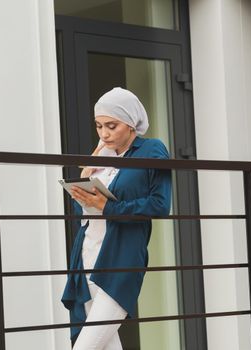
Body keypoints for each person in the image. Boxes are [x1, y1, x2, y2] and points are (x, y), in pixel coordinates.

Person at [61, 87, 172, 350]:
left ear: (131, 123)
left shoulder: (151, 149)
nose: (104, 134)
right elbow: (88, 213)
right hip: (88, 254)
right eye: (99, 126)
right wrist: (85, 184)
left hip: (120, 259)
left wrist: (107, 206)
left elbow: (160, 204)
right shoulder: (102, 157)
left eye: (112, 125)